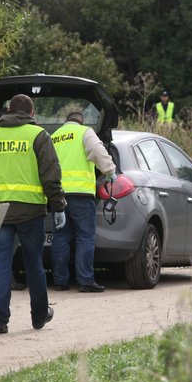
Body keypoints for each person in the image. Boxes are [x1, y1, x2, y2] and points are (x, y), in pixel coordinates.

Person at [0, 94, 66, 335]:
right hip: (30, 211)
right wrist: (59, 206)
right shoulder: (38, 135)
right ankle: (39, 316)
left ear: (7, 110)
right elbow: (51, 176)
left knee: (0, 264)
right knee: (33, 263)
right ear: (31, 113)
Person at [50, 112, 117, 293]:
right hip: (80, 194)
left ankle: (60, 281)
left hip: (58, 195)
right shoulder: (84, 132)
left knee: (61, 237)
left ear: (66, 121)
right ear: (81, 121)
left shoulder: (54, 137)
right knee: (85, 237)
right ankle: (85, 280)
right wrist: (110, 170)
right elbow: (98, 152)